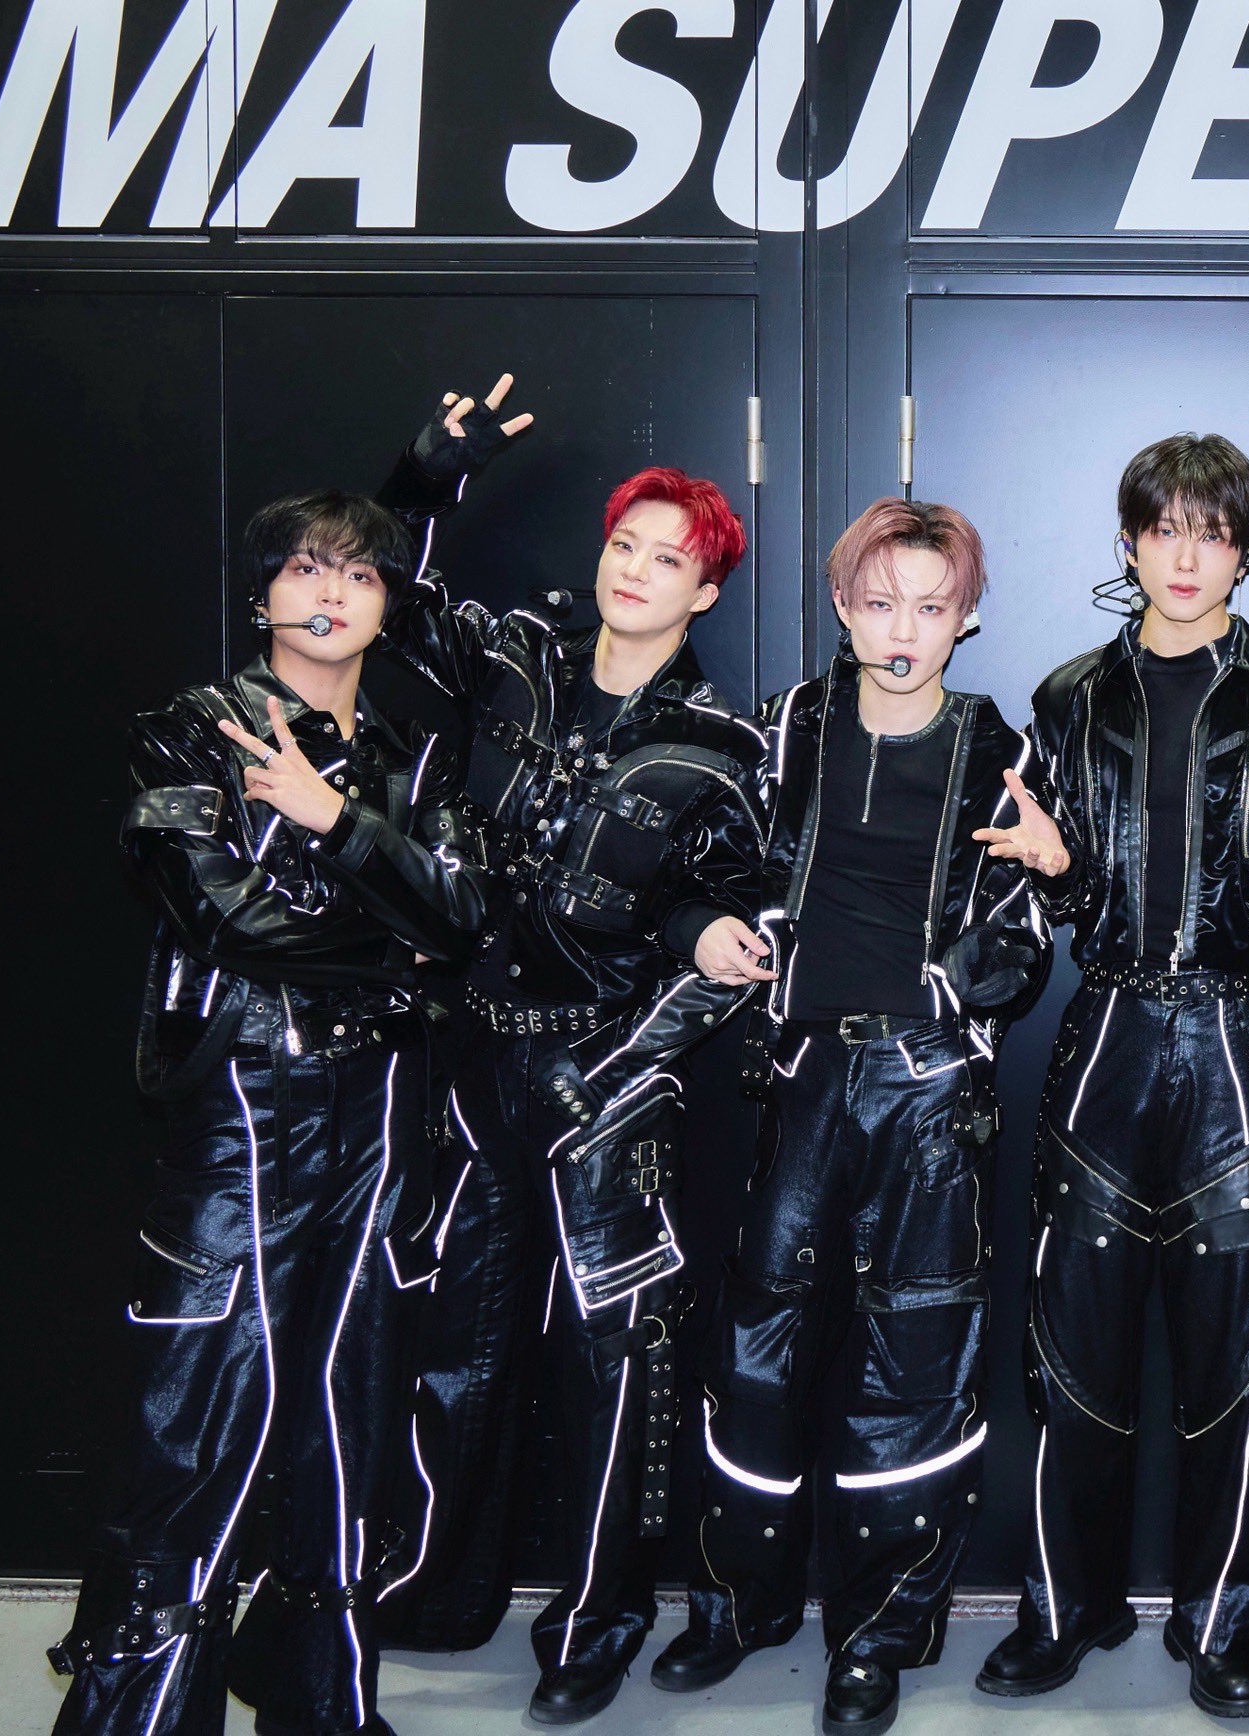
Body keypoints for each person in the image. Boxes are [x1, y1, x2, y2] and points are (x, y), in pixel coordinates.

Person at [49, 491, 491, 1736]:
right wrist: (396, 939)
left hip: (378, 1112)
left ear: (388, 604)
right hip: (241, 1108)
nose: (330, 590)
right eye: (303, 567)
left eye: (358, 572)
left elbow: (465, 920)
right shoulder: (192, 730)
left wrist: (336, 820)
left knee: (348, 1412)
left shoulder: (414, 754)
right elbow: (222, 917)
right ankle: (140, 1716)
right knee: (199, 1418)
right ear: (261, 596)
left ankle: (318, 1700)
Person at [365, 380, 772, 1726]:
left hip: (610, 1087)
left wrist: (692, 956)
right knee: (457, 1338)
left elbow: (726, 912)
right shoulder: (516, 655)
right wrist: (425, 480)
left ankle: (597, 1623)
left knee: (616, 1366)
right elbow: (386, 604)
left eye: (671, 559)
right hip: (474, 1067)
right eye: (625, 545)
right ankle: (434, 1589)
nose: (638, 571)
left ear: (706, 591)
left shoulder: (720, 745)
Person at [650, 499, 1050, 1736]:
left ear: (966, 616)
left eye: (930, 606)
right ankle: (739, 1602)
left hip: (929, 1089)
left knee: (912, 1365)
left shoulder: (1000, 748)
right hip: (800, 1074)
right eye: (879, 602)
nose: (902, 629)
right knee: (755, 1349)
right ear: (841, 605)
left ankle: (877, 1633)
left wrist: (993, 943)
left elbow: (1028, 940)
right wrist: (707, 928)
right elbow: (703, 870)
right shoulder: (788, 729)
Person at [972, 433, 1249, 1720]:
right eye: (1163, 527)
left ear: (1244, 550)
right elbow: (1059, 889)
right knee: (1070, 1353)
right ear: (1128, 542)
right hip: (1107, 1035)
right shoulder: (1070, 694)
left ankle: (1221, 1622)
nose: (1186, 555)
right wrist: (1055, 869)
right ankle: (1062, 1608)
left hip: (1236, 1042)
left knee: (1238, 1363)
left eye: (1212, 531)